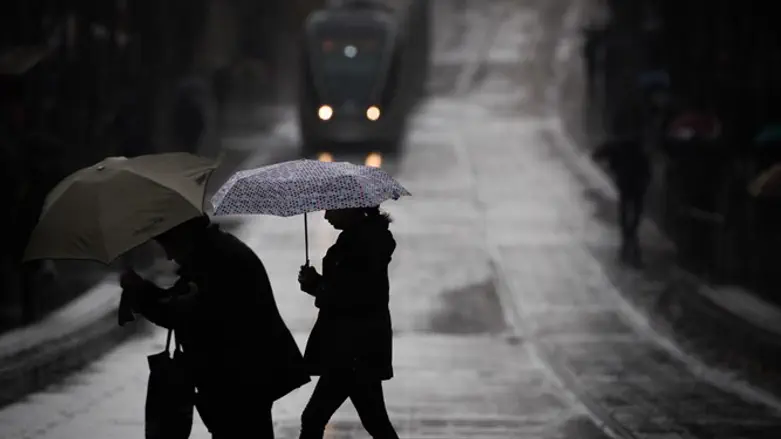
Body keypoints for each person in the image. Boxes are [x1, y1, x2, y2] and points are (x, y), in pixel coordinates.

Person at [119, 215, 310, 438]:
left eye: (168, 246)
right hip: (242, 377)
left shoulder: (215, 262)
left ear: (183, 236)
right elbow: (180, 302)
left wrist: (140, 292)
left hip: (238, 381)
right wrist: (142, 290)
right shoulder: (213, 253)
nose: (169, 256)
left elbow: (181, 313)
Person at [297, 206, 400, 439]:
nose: (325, 216)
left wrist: (316, 285)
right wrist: (317, 285)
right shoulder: (361, 240)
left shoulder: (362, 245)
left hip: (352, 348)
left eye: (330, 209)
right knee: (375, 420)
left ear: (350, 209)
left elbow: (353, 297)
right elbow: (348, 289)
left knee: (313, 417)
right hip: (357, 347)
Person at [593, 138, 652, 267]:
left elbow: (597, 154)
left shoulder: (618, 146)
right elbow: (647, 167)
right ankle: (630, 238)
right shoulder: (638, 148)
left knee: (626, 209)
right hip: (636, 184)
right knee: (634, 210)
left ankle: (628, 239)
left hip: (626, 182)